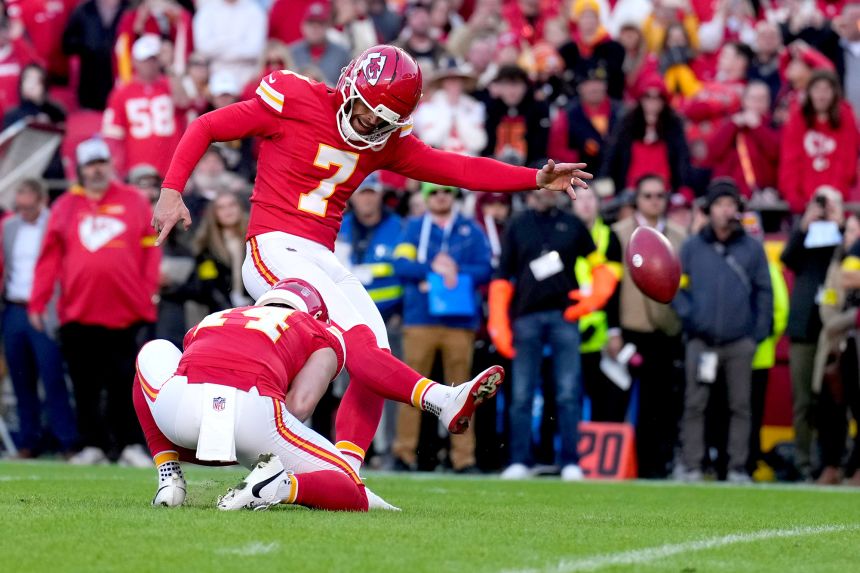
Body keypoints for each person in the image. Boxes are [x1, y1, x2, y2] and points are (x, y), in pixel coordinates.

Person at [152, 44, 590, 473]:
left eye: (383, 122)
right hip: (272, 245)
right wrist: (171, 192)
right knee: (357, 340)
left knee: (374, 344)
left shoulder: (386, 140)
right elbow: (206, 125)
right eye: (365, 110)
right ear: (349, 85)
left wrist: (533, 177)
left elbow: (456, 168)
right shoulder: (294, 97)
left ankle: (347, 468)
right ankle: (441, 398)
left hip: (320, 255)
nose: (368, 125)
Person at [28, 138, 161, 466]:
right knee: (85, 384)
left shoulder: (135, 201)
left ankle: (129, 444)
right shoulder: (65, 207)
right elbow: (48, 259)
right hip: (78, 311)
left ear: (110, 164)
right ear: (81, 170)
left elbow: (151, 252)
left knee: (125, 385)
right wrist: (37, 302)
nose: (97, 169)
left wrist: (146, 295)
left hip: (127, 311)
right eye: (91, 164)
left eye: (101, 162)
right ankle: (91, 445)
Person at [488, 188, 619, 480]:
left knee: (568, 393)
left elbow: (600, 265)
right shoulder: (518, 224)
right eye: (541, 187)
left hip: (564, 316)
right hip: (526, 317)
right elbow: (502, 275)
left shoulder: (572, 224)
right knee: (521, 394)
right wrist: (499, 320)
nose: (546, 193)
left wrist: (594, 298)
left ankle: (571, 461)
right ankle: (520, 460)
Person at [673, 179, 773, 483]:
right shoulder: (691, 247)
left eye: (731, 204)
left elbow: (764, 292)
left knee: (740, 406)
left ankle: (737, 468)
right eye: (720, 204)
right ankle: (692, 465)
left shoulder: (752, 248)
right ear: (709, 210)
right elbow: (674, 286)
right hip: (701, 340)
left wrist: (755, 334)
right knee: (695, 404)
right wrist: (691, 318)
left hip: (739, 341)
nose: (726, 210)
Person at [391, 183, 493, 473]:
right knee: (410, 390)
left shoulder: (470, 229)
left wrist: (456, 271)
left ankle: (464, 459)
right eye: (434, 192)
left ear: (454, 196)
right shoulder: (413, 228)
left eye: (447, 192)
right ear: (425, 197)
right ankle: (404, 453)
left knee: (464, 394)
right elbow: (399, 265)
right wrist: (431, 268)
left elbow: (485, 268)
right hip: (420, 319)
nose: (441, 196)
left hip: (459, 322)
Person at [611, 174, 687, 478]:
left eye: (660, 196)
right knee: (620, 400)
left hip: (666, 329)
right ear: (636, 200)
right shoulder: (618, 233)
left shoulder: (681, 236)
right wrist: (613, 329)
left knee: (662, 404)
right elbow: (612, 286)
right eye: (648, 196)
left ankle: (657, 466)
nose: (655, 201)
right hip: (630, 328)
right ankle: (623, 466)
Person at [0, 180, 78, 458]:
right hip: (14, 307)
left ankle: (66, 440)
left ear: (41, 201)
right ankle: (28, 441)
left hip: (46, 308)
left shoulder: (54, 225)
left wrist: (52, 306)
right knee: (21, 378)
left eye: (28, 207)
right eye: (19, 207)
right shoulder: (9, 226)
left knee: (52, 376)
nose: (23, 212)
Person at [780, 187, 847, 479]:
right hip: (805, 328)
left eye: (829, 204)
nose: (823, 208)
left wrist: (840, 223)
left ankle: (833, 462)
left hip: (834, 330)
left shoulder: (844, 237)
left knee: (835, 400)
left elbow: (848, 259)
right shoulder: (806, 239)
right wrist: (805, 224)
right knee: (803, 401)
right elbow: (788, 259)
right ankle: (804, 462)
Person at [570, 184, 624, 422]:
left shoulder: (610, 237)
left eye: (590, 197)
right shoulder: (563, 232)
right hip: (568, 326)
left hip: (600, 331)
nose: (585, 203)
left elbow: (615, 291)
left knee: (601, 394)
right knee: (565, 395)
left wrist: (614, 330)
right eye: (579, 198)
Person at [779, 70, 860, 213]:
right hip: (804, 204)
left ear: (835, 93)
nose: (821, 96)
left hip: (838, 202)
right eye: (817, 89)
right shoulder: (797, 120)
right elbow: (790, 161)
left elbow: (848, 162)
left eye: (826, 90)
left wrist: (834, 197)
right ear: (809, 92)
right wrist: (795, 198)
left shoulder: (846, 118)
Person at [102, 34, 183, 178]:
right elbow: (112, 135)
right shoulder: (121, 93)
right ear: (134, 61)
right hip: (136, 168)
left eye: (153, 60)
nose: (149, 65)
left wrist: (170, 69)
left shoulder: (170, 84)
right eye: (144, 60)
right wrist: (117, 169)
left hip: (171, 167)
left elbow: (184, 103)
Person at [190, 191, 251, 312]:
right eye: (221, 208)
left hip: (254, 305)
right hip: (222, 309)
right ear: (214, 214)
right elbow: (209, 285)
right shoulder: (206, 247)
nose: (228, 211)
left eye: (232, 205)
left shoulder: (254, 239)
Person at [62, 0, 126, 111]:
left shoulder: (128, 10)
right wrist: (87, 46)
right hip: (90, 87)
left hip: (119, 81)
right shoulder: (84, 10)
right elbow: (67, 44)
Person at [191, 0, 265, 88]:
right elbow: (203, 47)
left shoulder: (254, 11)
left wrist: (219, 44)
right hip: (213, 74)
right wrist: (235, 43)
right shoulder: (207, 10)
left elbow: (254, 50)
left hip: (245, 75)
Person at [288, 2, 352, 88]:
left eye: (320, 23)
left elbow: (347, 86)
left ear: (328, 26)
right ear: (303, 25)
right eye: (311, 23)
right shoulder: (291, 52)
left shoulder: (342, 54)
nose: (315, 28)